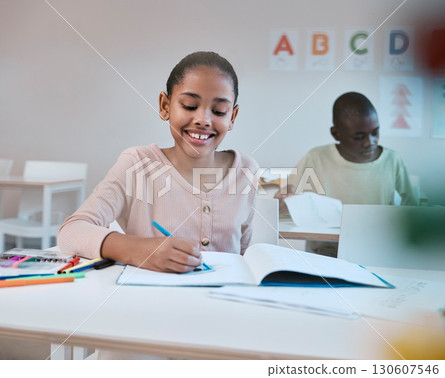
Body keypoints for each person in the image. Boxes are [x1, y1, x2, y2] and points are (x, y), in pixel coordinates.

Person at [58, 51, 260, 273]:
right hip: (149, 302)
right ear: (165, 106)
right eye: (189, 105)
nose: (203, 120)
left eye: (219, 111)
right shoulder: (137, 164)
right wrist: (139, 249)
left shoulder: (246, 170)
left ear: (232, 116)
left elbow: (244, 256)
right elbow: (71, 232)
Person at [276, 92, 418, 256]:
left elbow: (413, 210)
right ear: (336, 134)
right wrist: (285, 199)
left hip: (374, 248)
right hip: (326, 251)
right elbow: (286, 202)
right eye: (359, 137)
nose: (370, 142)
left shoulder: (392, 160)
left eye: (375, 132)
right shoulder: (315, 158)